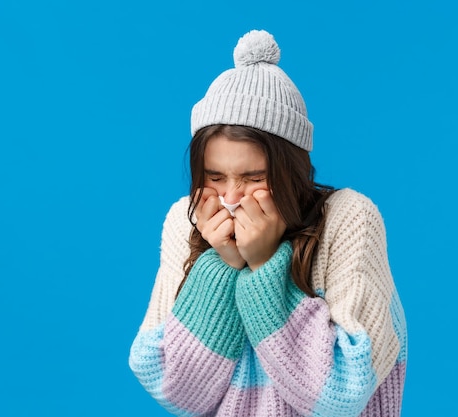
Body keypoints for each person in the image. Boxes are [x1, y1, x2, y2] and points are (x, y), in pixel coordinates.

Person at [129, 29, 407, 417]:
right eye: (214, 176)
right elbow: (179, 393)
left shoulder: (347, 218)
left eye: (255, 178)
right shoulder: (185, 220)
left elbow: (342, 395)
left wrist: (262, 267)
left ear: (292, 171)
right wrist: (223, 264)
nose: (231, 197)